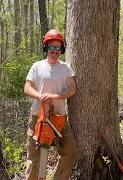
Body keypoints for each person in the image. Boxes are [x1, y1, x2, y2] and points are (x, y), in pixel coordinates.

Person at [24, 29, 77, 180]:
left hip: (59, 117)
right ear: (46, 48)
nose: (54, 51)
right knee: (34, 157)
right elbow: (27, 87)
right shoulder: (37, 66)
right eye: (51, 47)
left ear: (62, 49)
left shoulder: (65, 68)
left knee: (70, 151)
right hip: (37, 117)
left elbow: (72, 89)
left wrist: (55, 96)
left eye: (58, 47)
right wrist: (40, 96)